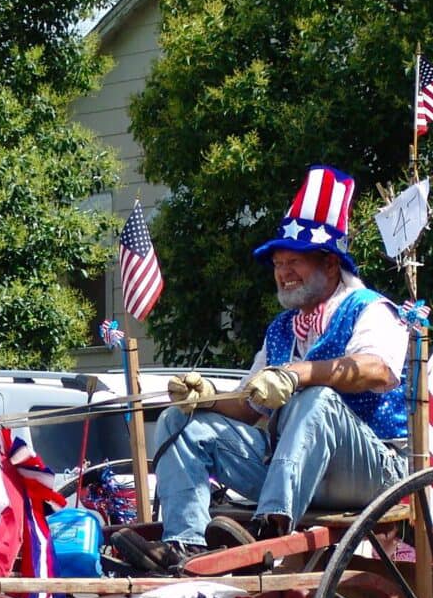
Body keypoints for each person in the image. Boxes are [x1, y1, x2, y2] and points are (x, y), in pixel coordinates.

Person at [115, 165, 409, 572]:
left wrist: (298, 374)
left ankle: (267, 540)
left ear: (329, 264)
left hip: (369, 473)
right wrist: (206, 400)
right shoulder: (281, 329)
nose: (283, 272)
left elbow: (377, 370)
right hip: (297, 471)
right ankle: (184, 546)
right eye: (278, 263)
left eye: (295, 261)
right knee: (177, 420)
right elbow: (251, 405)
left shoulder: (371, 309)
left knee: (317, 397)